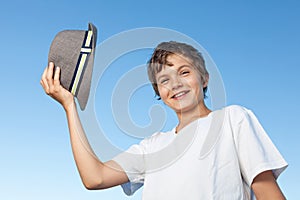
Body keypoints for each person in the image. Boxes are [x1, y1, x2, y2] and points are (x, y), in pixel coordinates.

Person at [40, 41, 288, 199]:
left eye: (184, 72)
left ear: (204, 79)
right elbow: (95, 178)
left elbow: (267, 192)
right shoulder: (152, 146)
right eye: (164, 80)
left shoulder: (233, 119)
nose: (176, 84)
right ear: (159, 92)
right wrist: (69, 106)